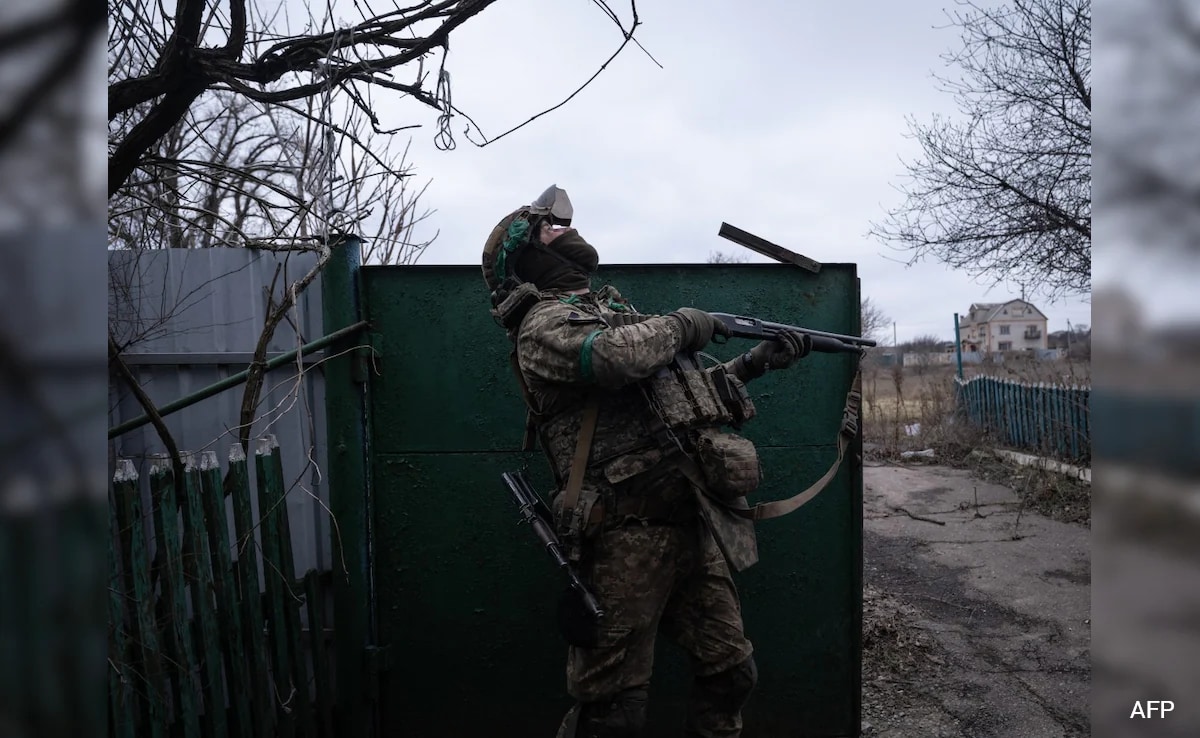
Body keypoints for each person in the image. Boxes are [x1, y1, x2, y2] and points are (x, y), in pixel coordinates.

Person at [482, 185, 813, 738]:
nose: (562, 227)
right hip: (621, 537)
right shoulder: (541, 326)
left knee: (732, 673)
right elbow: (610, 360)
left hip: (692, 524)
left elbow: (690, 397)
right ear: (527, 258)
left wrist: (756, 363)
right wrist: (686, 324)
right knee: (612, 712)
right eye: (547, 226)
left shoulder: (615, 314)